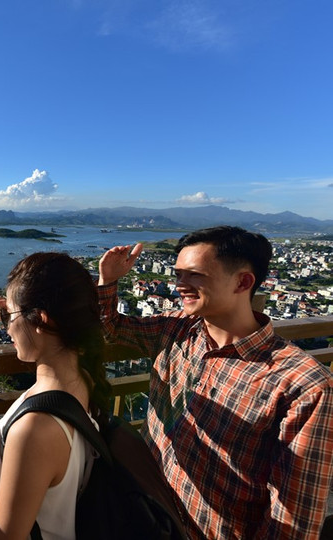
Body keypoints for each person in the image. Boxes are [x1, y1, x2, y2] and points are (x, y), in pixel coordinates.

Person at [97, 225, 333, 539]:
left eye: (194, 275)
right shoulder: (178, 330)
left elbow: (293, 520)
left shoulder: (302, 385)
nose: (180, 285)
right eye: (178, 274)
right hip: (146, 509)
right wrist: (108, 280)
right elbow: (112, 328)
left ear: (243, 282)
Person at [0, 252, 112, 539]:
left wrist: (20, 311)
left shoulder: (35, 430)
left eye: (8, 317)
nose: (7, 327)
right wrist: (17, 309)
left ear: (42, 320)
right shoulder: (82, 379)